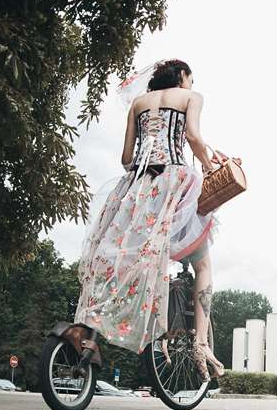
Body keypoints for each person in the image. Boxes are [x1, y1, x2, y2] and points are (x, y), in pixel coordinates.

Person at [70, 59, 225, 380]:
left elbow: (127, 159)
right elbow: (194, 137)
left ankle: (87, 330)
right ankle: (200, 342)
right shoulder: (191, 97)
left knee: (124, 259)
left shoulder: (138, 104)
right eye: (190, 79)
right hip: (176, 182)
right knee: (203, 265)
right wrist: (210, 167)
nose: (191, 84)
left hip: (136, 189)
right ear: (182, 77)